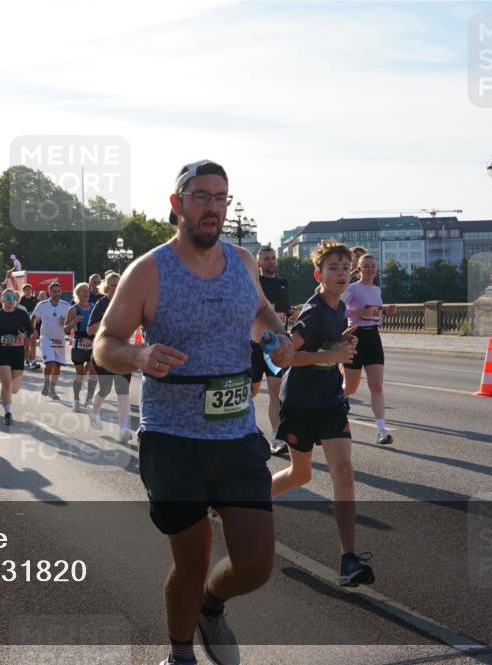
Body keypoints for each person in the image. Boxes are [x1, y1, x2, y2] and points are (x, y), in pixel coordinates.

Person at [94, 159, 293, 665]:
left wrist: (276, 336)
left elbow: (259, 311)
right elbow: (105, 343)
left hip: (236, 435)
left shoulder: (242, 261)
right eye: (201, 196)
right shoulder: (149, 270)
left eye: (221, 198)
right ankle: (180, 653)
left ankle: (210, 605)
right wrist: (138, 354)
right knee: (192, 560)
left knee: (256, 564)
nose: (213, 207)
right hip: (174, 439)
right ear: (177, 204)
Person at [271, 239, 375, 588]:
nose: (342, 273)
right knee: (300, 474)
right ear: (319, 274)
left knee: (343, 472)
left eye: (346, 268)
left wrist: (340, 342)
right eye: (333, 268)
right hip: (300, 402)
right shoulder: (313, 311)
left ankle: (349, 559)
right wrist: (331, 356)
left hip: (330, 401)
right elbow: (284, 357)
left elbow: (328, 345)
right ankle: (245, 504)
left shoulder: (339, 307)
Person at [342, 253, 397, 445]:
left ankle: (381, 431)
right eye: (366, 266)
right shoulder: (352, 288)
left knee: (377, 386)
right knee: (350, 387)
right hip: (355, 337)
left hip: (373, 337)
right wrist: (359, 312)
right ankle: (328, 406)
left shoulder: (377, 289)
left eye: (373, 266)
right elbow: (337, 309)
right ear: (359, 268)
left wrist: (386, 312)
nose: (370, 269)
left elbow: (375, 315)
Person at [252, 246, 295, 456]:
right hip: (254, 345)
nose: (270, 261)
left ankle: (277, 438)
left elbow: (283, 311)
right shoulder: (254, 282)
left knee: (275, 393)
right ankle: (245, 430)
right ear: (258, 263)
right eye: (266, 259)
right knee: (249, 393)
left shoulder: (283, 283)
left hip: (276, 347)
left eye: (273, 258)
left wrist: (291, 312)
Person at [87, 271, 134, 441]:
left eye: (119, 284)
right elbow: (90, 330)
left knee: (123, 389)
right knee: (105, 388)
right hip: (104, 351)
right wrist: (107, 319)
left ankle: (123, 429)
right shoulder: (101, 304)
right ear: (106, 288)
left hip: (123, 351)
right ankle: (94, 409)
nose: (117, 287)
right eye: (113, 285)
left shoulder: (128, 303)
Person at [0, 287, 33, 426]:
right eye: (7, 298)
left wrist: (24, 335)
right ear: (2, 299)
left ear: (16, 300)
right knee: (6, 383)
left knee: (15, 388)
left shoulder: (22, 314)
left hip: (17, 352)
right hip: (2, 352)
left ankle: (7, 400)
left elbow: (30, 329)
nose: (10, 300)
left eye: (12, 298)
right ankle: (7, 412)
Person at [31, 282, 70, 400]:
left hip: (60, 339)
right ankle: (46, 382)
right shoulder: (42, 305)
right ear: (49, 292)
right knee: (50, 363)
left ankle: (52, 389)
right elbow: (33, 317)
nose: (57, 293)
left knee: (57, 366)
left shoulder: (66, 305)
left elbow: (70, 322)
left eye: (58, 291)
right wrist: (33, 330)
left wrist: (66, 323)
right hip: (46, 338)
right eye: (54, 291)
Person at [63, 282, 97, 412]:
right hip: (79, 344)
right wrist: (74, 322)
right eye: (84, 291)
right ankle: (76, 401)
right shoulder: (73, 309)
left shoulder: (94, 307)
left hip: (93, 343)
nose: (87, 293)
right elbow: (65, 329)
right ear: (77, 293)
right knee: (80, 373)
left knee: (93, 373)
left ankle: (88, 400)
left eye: (88, 291)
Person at [18, 284, 40, 369]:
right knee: (26, 343)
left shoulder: (35, 299)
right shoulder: (21, 300)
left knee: (33, 342)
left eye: (30, 289)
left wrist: (37, 317)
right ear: (23, 291)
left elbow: (38, 310)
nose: (28, 291)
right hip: (24, 323)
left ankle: (32, 360)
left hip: (33, 322)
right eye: (27, 289)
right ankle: (26, 359)